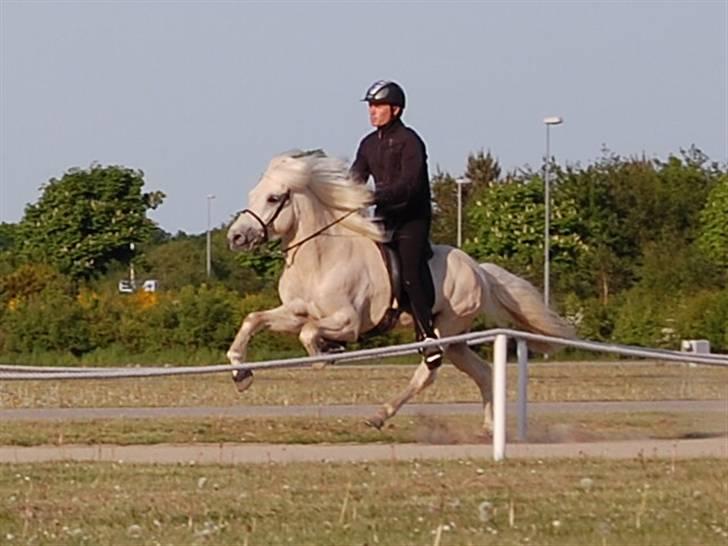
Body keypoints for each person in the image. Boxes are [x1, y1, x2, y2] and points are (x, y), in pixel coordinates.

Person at [350, 80, 442, 369]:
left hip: (411, 218)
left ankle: (428, 336)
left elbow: (409, 186)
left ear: (396, 109)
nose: (372, 112)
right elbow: (356, 177)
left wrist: (376, 195)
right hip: (384, 216)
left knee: (409, 271)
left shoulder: (411, 142)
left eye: (378, 106)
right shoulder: (367, 144)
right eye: (370, 107)